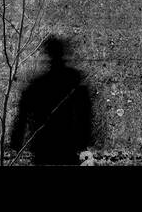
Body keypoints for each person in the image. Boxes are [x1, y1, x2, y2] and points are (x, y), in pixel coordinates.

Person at [9, 35, 92, 165]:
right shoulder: (75, 82)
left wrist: (16, 141)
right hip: (67, 145)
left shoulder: (37, 85)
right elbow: (84, 115)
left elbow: (22, 116)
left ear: (48, 54)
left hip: (43, 146)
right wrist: (84, 143)